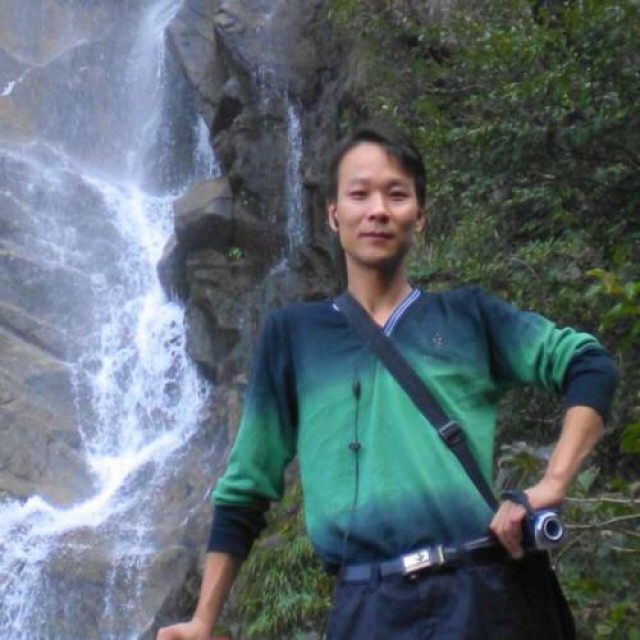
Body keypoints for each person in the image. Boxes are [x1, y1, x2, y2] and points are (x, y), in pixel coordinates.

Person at [157, 123, 618, 639]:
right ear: (333, 213)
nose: (377, 210)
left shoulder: (467, 317)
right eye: (360, 194)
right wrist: (203, 620)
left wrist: (552, 483)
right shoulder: (294, 337)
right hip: (366, 607)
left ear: (419, 214)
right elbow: (246, 488)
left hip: (480, 595)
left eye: (396, 195)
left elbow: (588, 364)